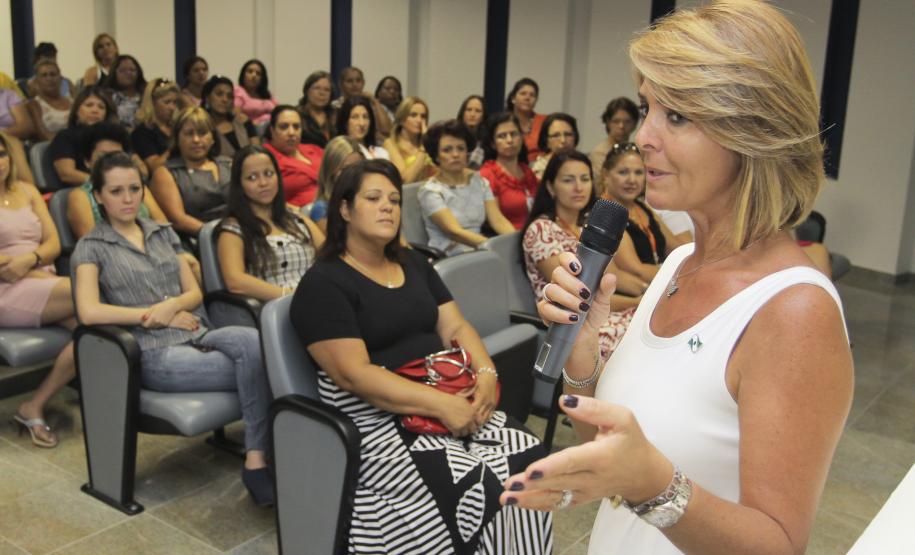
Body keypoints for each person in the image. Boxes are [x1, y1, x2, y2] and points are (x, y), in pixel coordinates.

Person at [500, 4, 853, 555]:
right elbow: (611, 459)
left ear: (752, 132)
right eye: (647, 109)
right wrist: (584, 359)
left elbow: (779, 544)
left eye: (678, 117)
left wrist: (656, 485)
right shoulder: (678, 262)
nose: (643, 137)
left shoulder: (793, 311)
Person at [291, 159, 553, 553]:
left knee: (530, 457)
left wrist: (484, 373)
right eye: (374, 198)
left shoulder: (413, 262)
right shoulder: (323, 285)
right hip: (379, 418)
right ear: (344, 209)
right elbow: (354, 375)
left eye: (395, 200)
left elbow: (457, 328)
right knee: (479, 479)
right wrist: (442, 405)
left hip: (443, 391)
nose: (388, 207)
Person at [72, 151, 273, 505]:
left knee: (256, 343)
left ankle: (260, 451)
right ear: (98, 195)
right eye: (116, 191)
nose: (128, 198)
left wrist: (173, 306)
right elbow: (88, 312)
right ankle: (259, 459)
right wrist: (153, 314)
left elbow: (194, 291)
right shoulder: (91, 247)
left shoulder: (161, 232)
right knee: (261, 366)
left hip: (196, 331)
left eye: (134, 188)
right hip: (153, 352)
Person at [520, 151, 640, 363]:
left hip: (604, 311)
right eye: (568, 180)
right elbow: (582, 294)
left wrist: (649, 291)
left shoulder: (588, 227)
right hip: (567, 323)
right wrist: (636, 301)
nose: (579, 187)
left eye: (585, 179)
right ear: (550, 187)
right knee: (635, 341)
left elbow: (615, 276)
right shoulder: (541, 230)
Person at [1, 132, 76, 449]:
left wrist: (32, 260)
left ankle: (35, 406)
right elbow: (7, 267)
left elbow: (54, 243)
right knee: (88, 291)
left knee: (96, 331)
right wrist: (28, 269)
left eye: (1, 154)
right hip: (7, 289)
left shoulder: (28, 191)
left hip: (45, 282)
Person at [217, 145, 324, 302]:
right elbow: (235, 281)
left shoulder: (297, 219)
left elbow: (330, 255)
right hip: (279, 308)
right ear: (240, 185)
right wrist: (289, 295)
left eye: (268, 174)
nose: (263, 183)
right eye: (252, 177)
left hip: (319, 298)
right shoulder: (233, 229)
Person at [418, 119, 514, 255]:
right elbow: (454, 232)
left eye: (461, 148)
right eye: (447, 150)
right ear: (436, 156)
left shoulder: (480, 182)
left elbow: (498, 221)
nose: (456, 154)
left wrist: (516, 242)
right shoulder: (430, 191)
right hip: (449, 255)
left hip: (480, 249)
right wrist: (492, 247)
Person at [601, 142, 687, 283]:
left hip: (662, 282)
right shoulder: (606, 212)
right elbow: (635, 269)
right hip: (638, 293)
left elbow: (676, 249)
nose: (632, 180)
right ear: (606, 174)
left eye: (639, 172)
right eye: (623, 172)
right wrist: (682, 279)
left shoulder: (643, 208)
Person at [69, 122, 168, 238]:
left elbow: (163, 228)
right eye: (102, 157)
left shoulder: (137, 187)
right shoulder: (80, 196)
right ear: (87, 161)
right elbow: (93, 246)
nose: (111, 164)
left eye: (117, 157)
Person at [150, 107, 231, 236]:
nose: (196, 140)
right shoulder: (165, 173)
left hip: (238, 233)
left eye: (202, 133)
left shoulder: (229, 164)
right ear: (177, 139)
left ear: (213, 138)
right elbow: (178, 220)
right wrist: (219, 236)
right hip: (197, 240)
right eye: (189, 133)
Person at [49, 86, 127, 187]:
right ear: (77, 111)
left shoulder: (114, 138)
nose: (95, 110)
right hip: (83, 190)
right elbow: (67, 174)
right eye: (89, 105)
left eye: (101, 107)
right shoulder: (65, 136)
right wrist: (105, 184)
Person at [479, 112, 537, 230]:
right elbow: (494, 220)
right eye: (502, 136)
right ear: (493, 144)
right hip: (505, 239)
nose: (509, 140)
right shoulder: (487, 174)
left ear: (521, 138)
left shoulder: (527, 172)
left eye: (514, 134)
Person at [264, 105, 323, 208]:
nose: (291, 132)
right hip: (296, 217)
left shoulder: (314, 149)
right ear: (272, 130)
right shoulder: (264, 158)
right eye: (284, 127)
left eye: (296, 127)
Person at [310, 136, 364, 232]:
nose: (353, 174)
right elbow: (335, 245)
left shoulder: (368, 200)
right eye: (345, 169)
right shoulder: (322, 208)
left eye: (357, 168)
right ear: (331, 171)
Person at [202, 75, 259, 159]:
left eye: (229, 96)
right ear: (207, 98)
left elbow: (257, 152)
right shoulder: (202, 127)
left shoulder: (243, 121)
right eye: (219, 94)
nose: (225, 99)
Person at [590, 97, 639, 194]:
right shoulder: (600, 153)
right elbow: (601, 188)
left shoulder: (636, 151)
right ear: (608, 122)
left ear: (634, 124)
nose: (621, 126)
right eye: (616, 121)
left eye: (627, 121)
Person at [132, 77, 180, 174]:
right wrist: (176, 146)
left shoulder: (177, 127)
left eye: (174, 102)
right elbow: (154, 166)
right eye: (167, 102)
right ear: (152, 102)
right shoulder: (143, 132)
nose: (172, 107)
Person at [382, 96, 435, 183]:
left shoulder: (431, 144)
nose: (419, 120)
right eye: (413, 115)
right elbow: (406, 180)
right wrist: (424, 148)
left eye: (423, 116)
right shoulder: (391, 144)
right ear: (402, 119)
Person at [331, 66, 392, 138]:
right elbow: (333, 132)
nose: (354, 84)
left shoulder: (372, 104)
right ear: (341, 85)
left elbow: (388, 130)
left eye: (358, 80)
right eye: (349, 81)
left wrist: (375, 101)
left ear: (363, 83)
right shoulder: (335, 106)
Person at [21, 59, 71, 142]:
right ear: (37, 80)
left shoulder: (72, 102)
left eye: (53, 74)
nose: (49, 78)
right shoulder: (33, 105)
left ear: (60, 78)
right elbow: (44, 135)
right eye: (44, 75)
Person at [506, 78, 546, 163]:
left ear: (536, 100)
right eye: (523, 94)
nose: (527, 98)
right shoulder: (504, 123)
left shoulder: (545, 121)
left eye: (532, 95)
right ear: (513, 98)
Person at [336, 95, 389, 160]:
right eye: (355, 117)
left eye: (365, 117)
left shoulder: (381, 152)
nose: (362, 123)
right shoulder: (338, 152)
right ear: (345, 122)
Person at [530, 112, 579, 180]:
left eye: (568, 134)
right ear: (546, 140)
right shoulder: (540, 168)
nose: (563, 140)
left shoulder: (582, 163)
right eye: (556, 135)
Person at [102, 54, 146, 130]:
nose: (128, 73)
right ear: (114, 72)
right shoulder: (106, 96)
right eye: (122, 70)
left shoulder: (146, 95)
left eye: (132, 70)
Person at [296, 71, 335, 148]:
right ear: (307, 91)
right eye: (317, 88)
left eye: (327, 90)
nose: (322, 93)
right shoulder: (296, 115)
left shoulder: (335, 115)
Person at [234, 59, 276, 127]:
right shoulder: (238, 91)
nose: (254, 75)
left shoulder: (266, 94)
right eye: (250, 72)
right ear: (243, 74)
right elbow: (236, 117)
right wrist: (261, 119)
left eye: (258, 73)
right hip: (250, 131)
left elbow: (279, 112)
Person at [457, 94, 487, 169]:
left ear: (483, 116)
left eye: (478, 111)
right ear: (462, 113)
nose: (472, 114)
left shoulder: (487, 141)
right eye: (469, 110)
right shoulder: (453, 136)